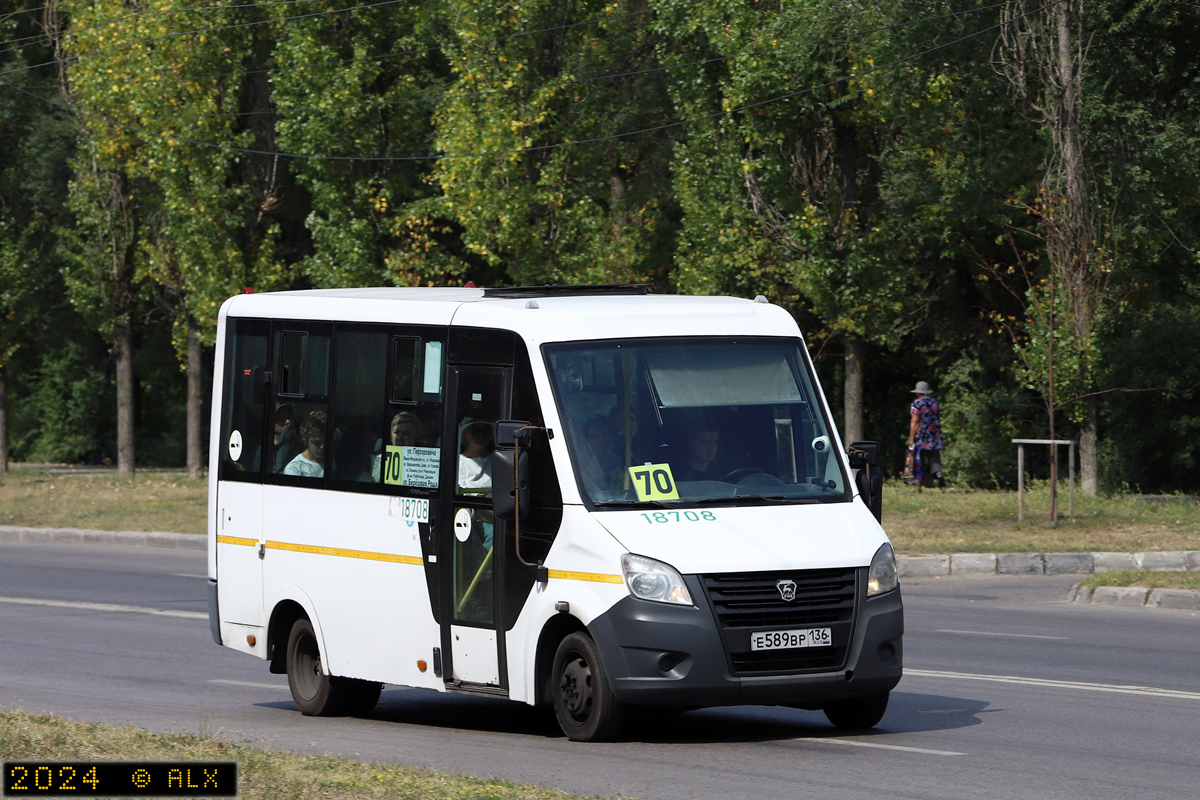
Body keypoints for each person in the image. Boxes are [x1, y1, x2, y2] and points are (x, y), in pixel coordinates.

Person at [907, 380, 945, 488]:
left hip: (922, 434)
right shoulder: (934, 402)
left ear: (918, 392)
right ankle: (939, 475)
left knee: (920, 458)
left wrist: (911, 439)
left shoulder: (917, 403)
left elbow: (914, 421)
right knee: (934, 458)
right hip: (934, 434)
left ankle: (920, 484)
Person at [372, 411, 423, 482]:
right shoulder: (381, 456)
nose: (399, 438)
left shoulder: (425, 459)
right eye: (396, 432)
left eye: (406, 434)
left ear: (416, 436)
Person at [284, 411, 328, 478]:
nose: (322, 447)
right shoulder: (294, 469)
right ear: (306, 440)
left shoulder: (331, 463)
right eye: (317, 443)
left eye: (325, 442)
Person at [457, 420, 493, 491]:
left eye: (486, 431)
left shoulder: (497, 460)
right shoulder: (457, 462)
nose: (481, 435)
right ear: (465, 434)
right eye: (475, 431)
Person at [272, 404, 298, 472]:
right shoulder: (263, 449)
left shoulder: (296, 447)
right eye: (281, 418)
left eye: (289, 417)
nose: (287, 421)